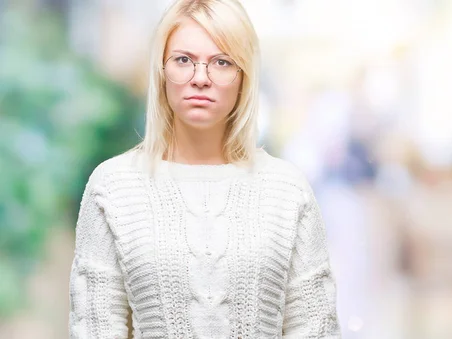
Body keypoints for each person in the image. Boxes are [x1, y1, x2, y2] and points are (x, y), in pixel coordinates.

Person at [68, 0, 341, 338]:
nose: (200, 78)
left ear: (244, 76)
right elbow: (96, 327)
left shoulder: (287, 190)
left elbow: (314, 327)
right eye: (183, 60)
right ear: (162, 71)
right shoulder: (112, 187)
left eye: (222, 62)